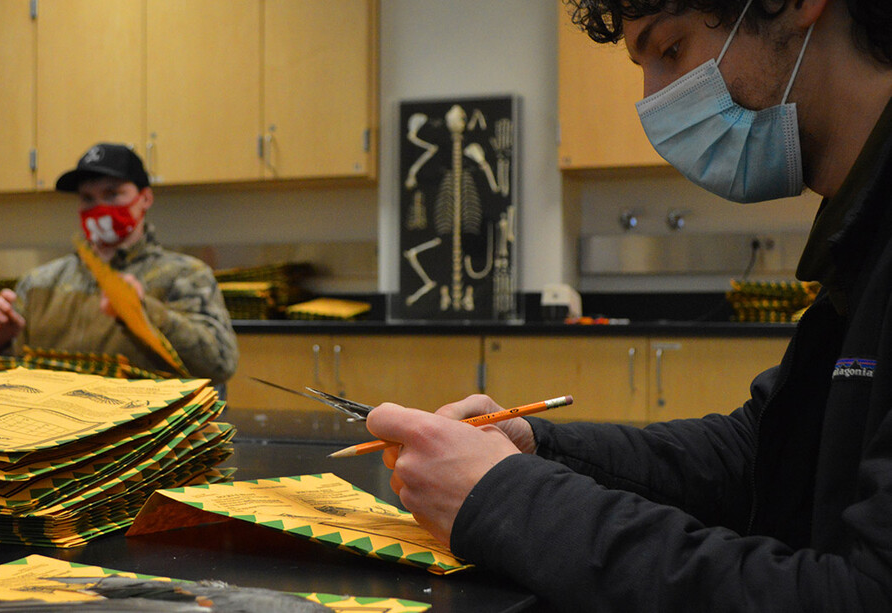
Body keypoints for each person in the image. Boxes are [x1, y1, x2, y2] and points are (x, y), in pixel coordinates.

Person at [366, 0, 892, 609]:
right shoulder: (860, 235)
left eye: (671, 49)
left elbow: (862, 595)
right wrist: (533, 448)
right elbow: (760, 454)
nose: (655, 100)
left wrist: (506, 501)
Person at [0, 143, 238, 385]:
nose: (99, 207)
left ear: (145, 199)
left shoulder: (185, 276)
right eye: (88, 198)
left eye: (112, 194)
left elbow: (219, 364)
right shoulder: (38, 282)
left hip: (142, 435)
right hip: (54, 432)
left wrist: (144, 312)